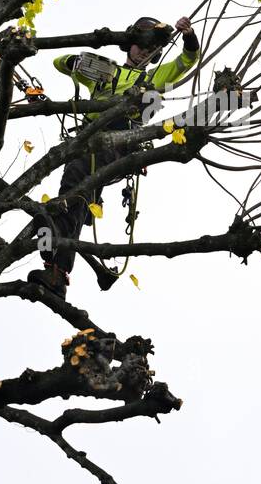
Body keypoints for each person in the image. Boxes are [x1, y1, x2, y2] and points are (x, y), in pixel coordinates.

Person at [28, 15, 199, 297]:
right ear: (129, 44)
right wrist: (77, 63)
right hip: (88, 138)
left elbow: (187, 60)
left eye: (151, 50)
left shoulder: (154, 78)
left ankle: (57, 271)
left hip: (121, 139)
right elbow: (60, 62)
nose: (145, 52)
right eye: (141, 46)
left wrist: (188, 35)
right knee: (73, 194)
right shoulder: (106, 71)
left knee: (73, 187)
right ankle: (66, 248)